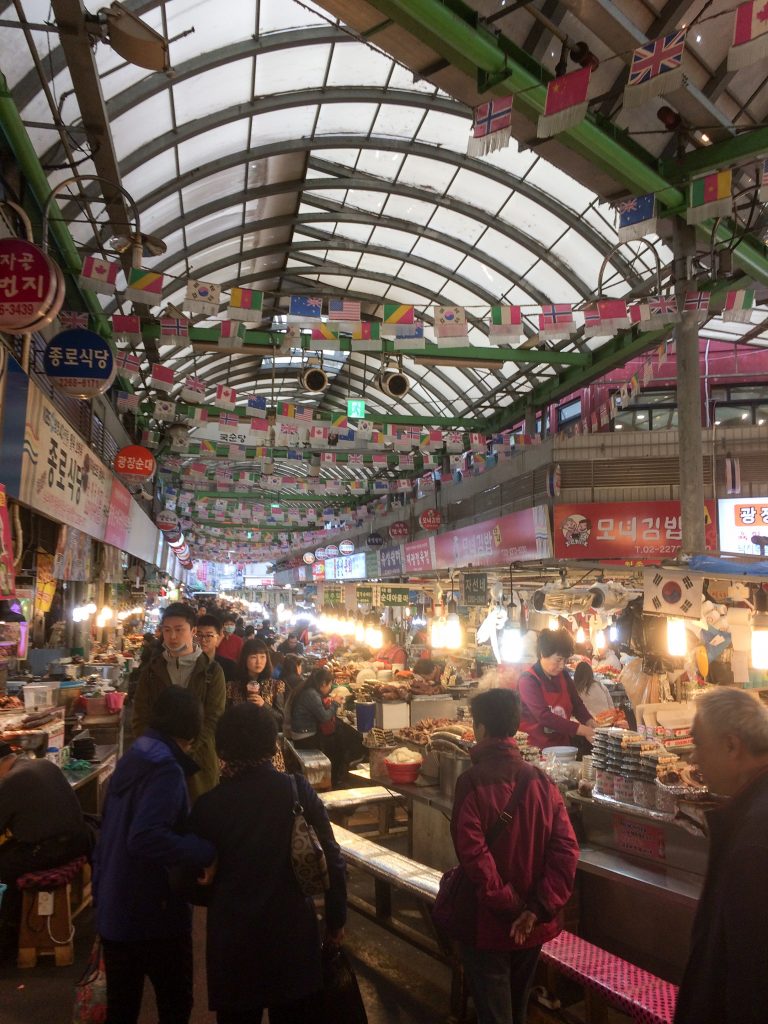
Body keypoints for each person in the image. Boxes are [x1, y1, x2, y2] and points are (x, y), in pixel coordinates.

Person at [189, 704, 347, 1023]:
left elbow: (191, 884)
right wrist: (335, 920)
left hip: (234, 947)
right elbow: (332, 857)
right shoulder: (297, 790)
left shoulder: (207, 807)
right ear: (271, 745)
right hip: (292, 942)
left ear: (222, 750)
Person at [446, 689, 579, 1024]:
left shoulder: (472, 782)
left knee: (494, 1014)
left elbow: (474, 856)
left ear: (479, 728)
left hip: (487, 924)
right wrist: (535, 910)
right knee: (517, 1011)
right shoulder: (541, 781)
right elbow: (566, 850)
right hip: (530, 926)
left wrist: (513, 907)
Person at [95, 687, 216, 1024]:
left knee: (122, 1008)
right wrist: (204, 851)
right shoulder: (165, 767)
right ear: (192, 726)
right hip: (151, 913)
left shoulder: (137, 754)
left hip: (116, 908)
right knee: (176, 1003)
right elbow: (146, 837)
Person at [674, 688, 768, 1024]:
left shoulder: (756, 838)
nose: (694, 759)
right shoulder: (749, 812)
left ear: (731, 746)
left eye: (699, 744)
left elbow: (751, 975)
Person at [0, 742, 91, 956]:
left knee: (4, 869)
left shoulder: (10, 781)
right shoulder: (42, 764)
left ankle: (8, 935)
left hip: (52, 850)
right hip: (79, 840)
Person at [133, 602, 226, 802]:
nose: (172, 636)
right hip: (157, 765)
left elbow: (213, 717)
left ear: (193, 631)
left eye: (179, 630)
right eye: (167, 630)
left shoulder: (212, 671)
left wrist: (187, 750)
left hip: (199, 764)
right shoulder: (151, 671)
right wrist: (155, 752)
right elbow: (140, 716)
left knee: (199, 819)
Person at [286, 667, 364, 788]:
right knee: (337, 745)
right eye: (329, 685)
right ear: (323, 683)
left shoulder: (308, 690)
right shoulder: (311, 694)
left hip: (303, 734)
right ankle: (335, 780)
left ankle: (338, 777)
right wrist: (335, 703)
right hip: (306, 737)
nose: (329, 688)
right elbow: (325, 717)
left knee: (337, 739)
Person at [518, 629, 596, 749]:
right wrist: (581, 730)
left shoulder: (563, 676)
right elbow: (544, 717)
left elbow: (577, 704)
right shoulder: (528, 681)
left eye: (565, 660)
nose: (562, 665)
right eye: (558, 660)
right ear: (543, 654)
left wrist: (589, 721)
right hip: (536, 750)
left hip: (563, 748)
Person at [196, 614, 238, 683]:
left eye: (209, 635)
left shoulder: (229, 667)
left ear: (218, 638)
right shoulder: (188, 664)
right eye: (199, 635)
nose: (203, 640)